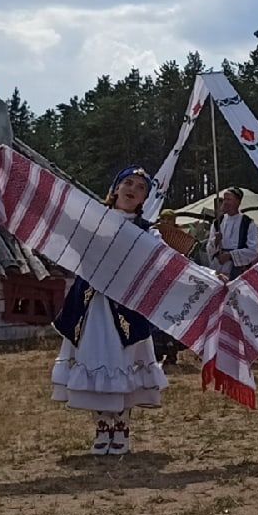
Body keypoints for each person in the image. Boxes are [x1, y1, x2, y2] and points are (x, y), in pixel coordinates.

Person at [52, 167, 169, 455]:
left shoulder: (147, 231)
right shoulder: (93, 221)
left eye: (140, 187)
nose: (132, 189)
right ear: (115, 188)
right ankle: (102, 426)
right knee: (93, 360)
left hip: (126, 309)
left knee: (122, 363)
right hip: (91, 307)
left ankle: (122, 426)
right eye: (127, 182)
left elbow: (166, 261)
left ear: (145, 198)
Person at [210, 188, 258, 279]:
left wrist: (230, 255)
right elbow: (209, 248)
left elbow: (253, 251)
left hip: (238, 269)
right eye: (224, 199)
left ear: (238, 202)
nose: (225, 202)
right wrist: (216, 241)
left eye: (229, 199)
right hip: (218, 267)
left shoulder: (248, 223)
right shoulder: (218, 222)